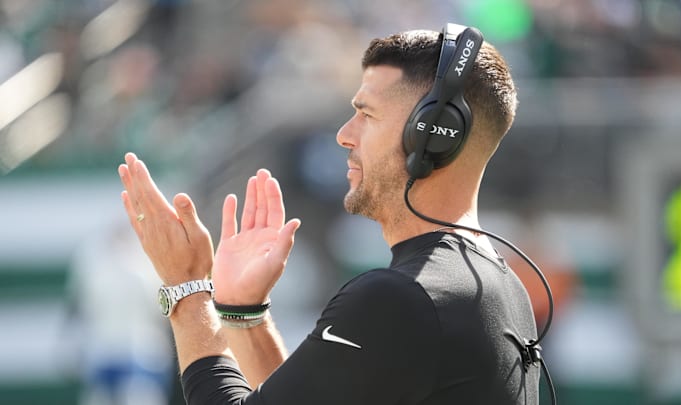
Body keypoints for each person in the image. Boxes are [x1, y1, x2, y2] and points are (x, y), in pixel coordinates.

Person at [118, 23, 541, 404]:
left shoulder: (400, 299)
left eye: (366, 114)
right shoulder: (502, 286)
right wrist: (244, 314)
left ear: (431, 136)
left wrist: (187, 290)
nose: (343, 134)